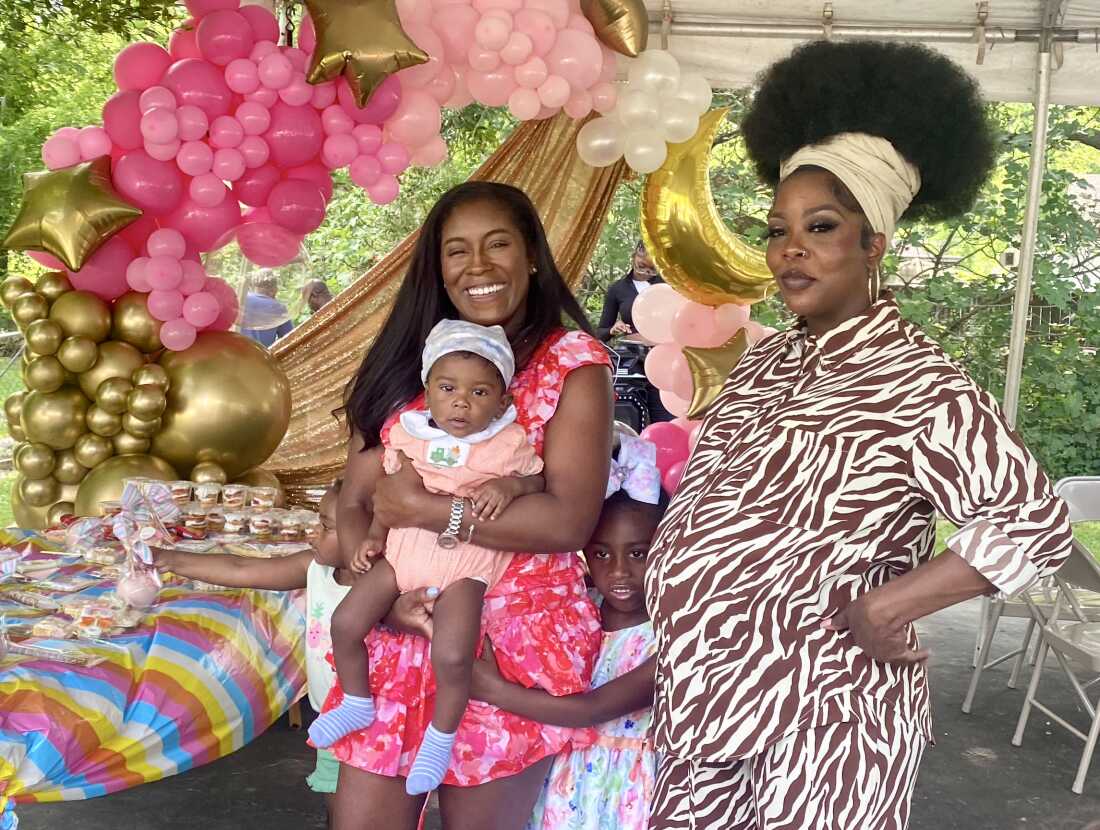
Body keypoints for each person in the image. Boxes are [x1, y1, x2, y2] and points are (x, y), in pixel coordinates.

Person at [645, 40, 1074, 830]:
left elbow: (1032, 522)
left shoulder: (919, 383)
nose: (790, 249)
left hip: (825, 727)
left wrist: (892, 606)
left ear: (874, 243)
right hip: (706, 712)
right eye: (779, 230)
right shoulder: (766, 366)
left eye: (822, 226)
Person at [331, 181, 614, 830]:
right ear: (437, 266)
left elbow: (568, 519)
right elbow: (355, 498)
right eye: (457, 250)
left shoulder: (570, 364)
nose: (478, 266)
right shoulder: (410, 363)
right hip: (400, 638)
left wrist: (430, 512)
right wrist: (375, 585)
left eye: (498, 245)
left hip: (508, 647)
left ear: (533, 254)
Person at [309, 320, 546, 799]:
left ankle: (439, 740)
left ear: (501, 402)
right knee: (346, 621)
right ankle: (356, 700)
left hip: (466, 569)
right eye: (448, 388)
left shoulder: (506, 444)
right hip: (401, 558)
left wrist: (511, 486)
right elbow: (384, 497)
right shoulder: (409, 437)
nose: (462, 401)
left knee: (454, 654)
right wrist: (372, 539)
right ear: (428, 392)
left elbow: (536, 481)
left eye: (480, 392)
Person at [471, 435, 663, 830]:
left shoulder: (671, 633)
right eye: (601, 554)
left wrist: (490, 689)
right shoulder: (575, 612)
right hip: (562, 783)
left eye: (639, 553)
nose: (620, 571)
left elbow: (589, 710)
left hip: (631, 792)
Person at [151, 481, 354, 824]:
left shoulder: (388, 584)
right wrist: (168, 559)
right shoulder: (316, 569)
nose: (313, 534)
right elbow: (240, 569)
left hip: (376, 728)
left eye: (326, 527)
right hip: (330, 723)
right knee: (339, 811)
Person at [596, 241, 662, 342]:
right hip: (635, 351)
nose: (645, 272)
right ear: (633, 257)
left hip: (668, 348)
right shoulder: (617, 289)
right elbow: (601, 333)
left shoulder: (666, 285)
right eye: (641, 266)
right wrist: (612, 329)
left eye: (651, 269)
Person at [240, 272, 294, 346]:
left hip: (233, 352)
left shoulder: (240, 300)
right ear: (273, 289)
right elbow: (289, 338)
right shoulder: (278, 308)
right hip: (261, 355)